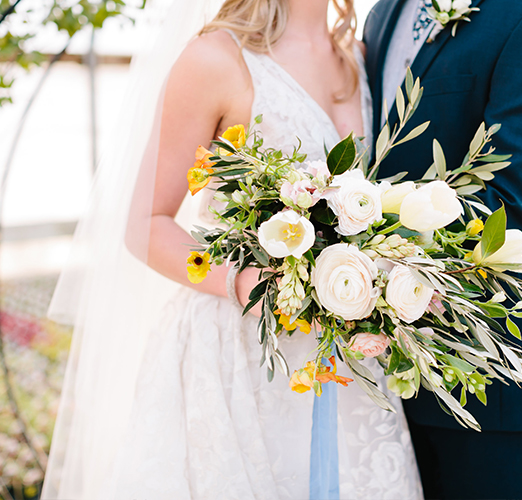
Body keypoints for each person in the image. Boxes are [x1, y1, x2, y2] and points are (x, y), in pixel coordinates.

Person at [43, 0, 423, 498]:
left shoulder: (356, 55)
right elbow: (145, 225)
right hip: (240, 353)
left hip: (345, 355)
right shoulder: (217, 58)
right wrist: (243, 281)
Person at [363, 0, 522, 498]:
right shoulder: (385, 11)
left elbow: (511, 204)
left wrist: (348, 226)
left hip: (489, 378)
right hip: (373, 376)